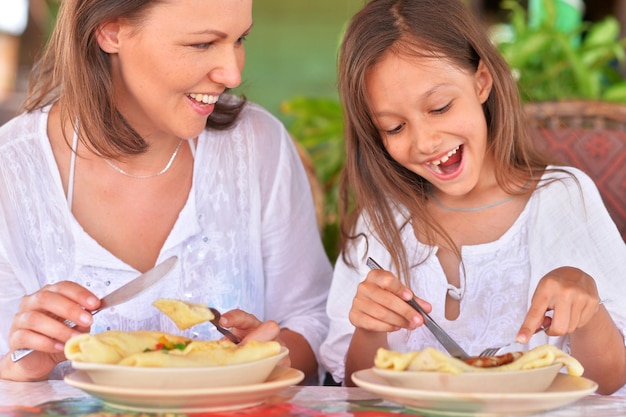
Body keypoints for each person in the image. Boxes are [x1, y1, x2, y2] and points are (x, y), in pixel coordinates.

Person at [0, 0, 332, 384]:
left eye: (240, 39)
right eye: (203, 44)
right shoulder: (11, 170)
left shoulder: (258, 144)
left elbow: (314, 319)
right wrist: (19, 364)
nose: (233, 73)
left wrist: (267, 357)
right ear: (111, 31)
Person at [319, 0, 626, 394]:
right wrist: (369, 329)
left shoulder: (562, 198)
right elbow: (358, 391)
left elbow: (609, 381)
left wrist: (588, 310)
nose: (425, 141)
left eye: (440, 107)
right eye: (395, 127)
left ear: (481, 82)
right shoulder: (381, 221)